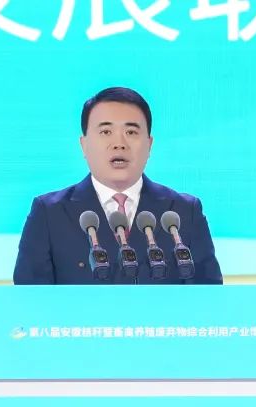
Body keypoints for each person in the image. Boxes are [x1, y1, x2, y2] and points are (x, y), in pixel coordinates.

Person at [12, 87, 223, 285]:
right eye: (106, 132)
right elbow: (30, 299)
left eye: (131, 132)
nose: (119, 143)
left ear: (149, 144)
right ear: (84, 145)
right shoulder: (49, 213)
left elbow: (209, 297)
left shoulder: (183, 211)